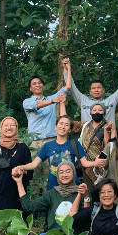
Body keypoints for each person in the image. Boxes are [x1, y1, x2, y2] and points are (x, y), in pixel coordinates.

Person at [12, 115, 103, 192]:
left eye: (66, 125)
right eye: (61, 124)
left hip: (71, 187)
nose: (63, 127)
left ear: (70, 129)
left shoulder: (74, 143)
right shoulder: (47, 146)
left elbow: (84, 163)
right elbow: (33, 164)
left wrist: (95, 163)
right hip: (53, 188)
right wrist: (21, 167)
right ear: (55, 126)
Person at [22, 61, 73, 191]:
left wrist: (67, 69)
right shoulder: (27, 102)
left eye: (39, 83)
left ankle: (48, 204)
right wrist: (52, 101)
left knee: (51, 174)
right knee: (34, 175)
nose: (37, 85)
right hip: (34, 143)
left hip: (51, 141)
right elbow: (37, 105)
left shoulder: (52, 97)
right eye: (34, 84)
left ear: (43, 86)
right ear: (30, 88)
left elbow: (67, 86)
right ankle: (33, 206)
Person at [65, 58, 118, 123]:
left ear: (103, 90)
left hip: (107, 133)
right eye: (93, 88)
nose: (96, 90)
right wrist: (66, 70)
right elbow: (71, 87)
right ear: (90, 91)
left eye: (99, 87)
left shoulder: (111, 101)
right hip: (88, 133)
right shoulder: (83, 101)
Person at [73, 102, 115, 192]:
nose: (97, 112)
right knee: (81, 189)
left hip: (98, 164)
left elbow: (110, 146)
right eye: (94, 110)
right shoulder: (85, 125)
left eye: (100, 110)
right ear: (90, 112)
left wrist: (109, 131)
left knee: (96, 189)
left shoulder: (107, 127)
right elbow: (69, 125)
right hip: (83, 162)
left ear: (104, 112)